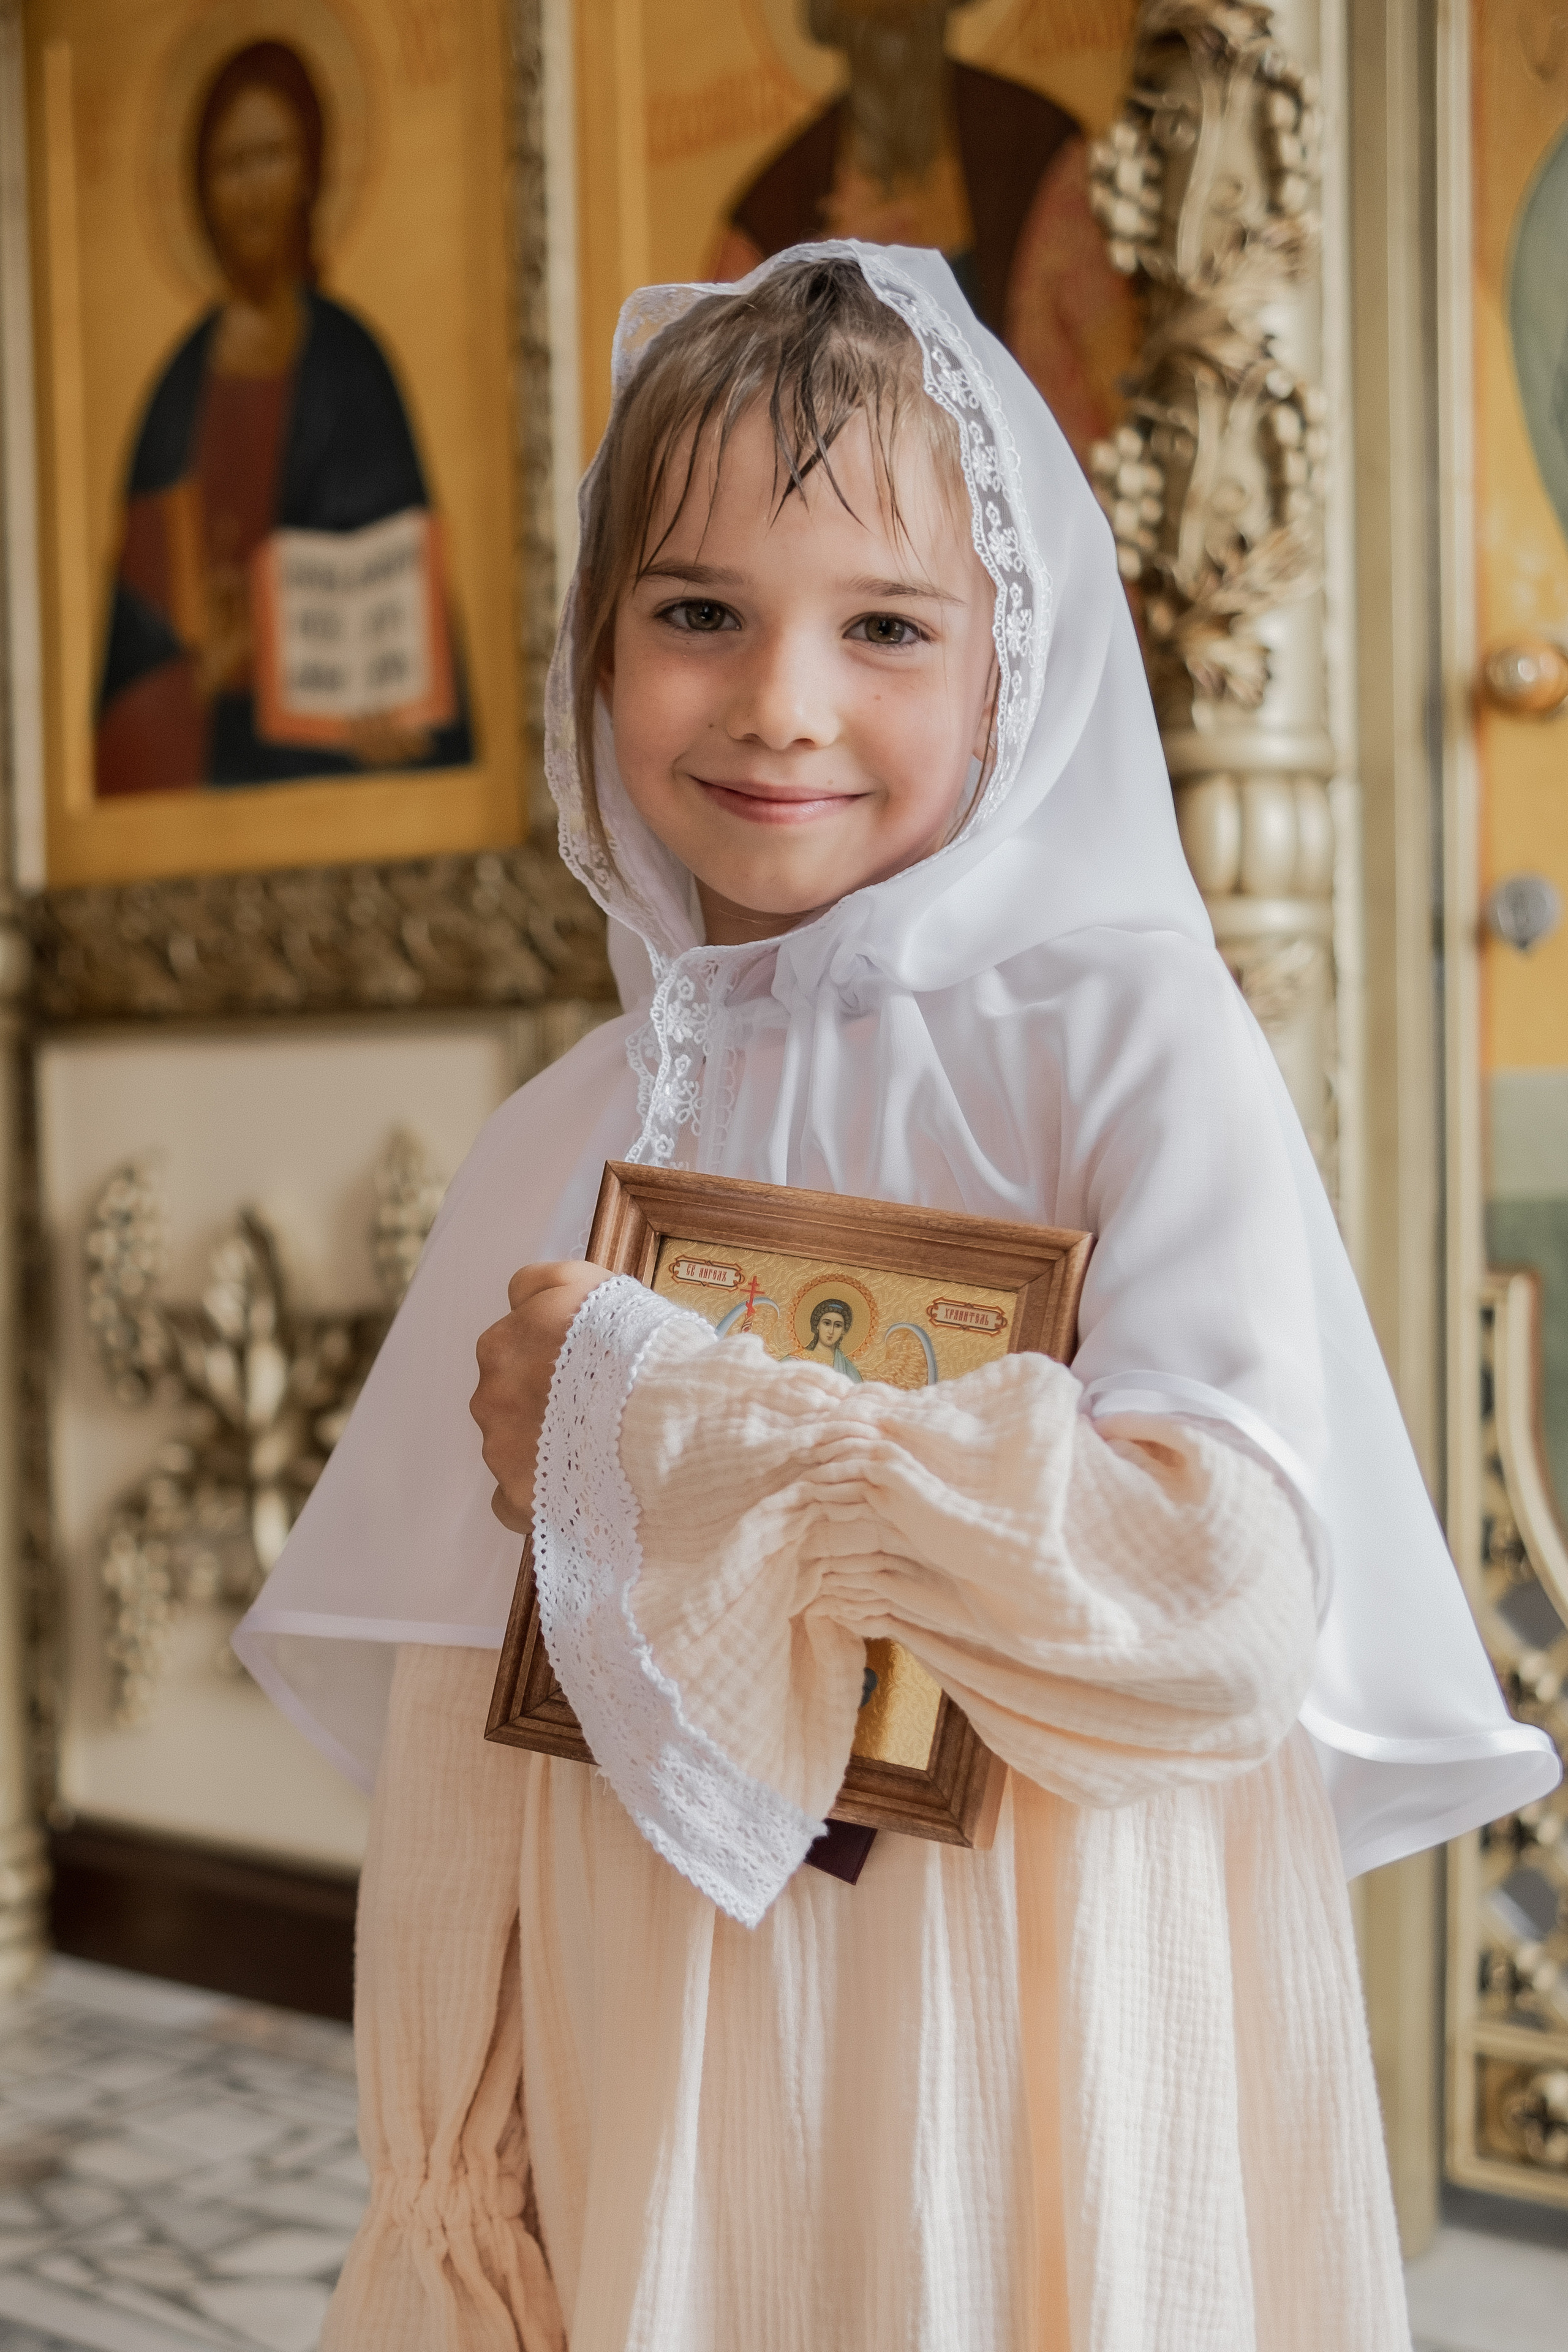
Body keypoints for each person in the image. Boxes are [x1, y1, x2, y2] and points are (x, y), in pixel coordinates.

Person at [235, 247, 1558, 2350]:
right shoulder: (570, 1118)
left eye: (883, 629)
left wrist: (665, 1423)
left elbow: (1206, 1606)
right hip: (652, 2035)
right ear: (596, 647)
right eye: (695, 614)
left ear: (1016, 665)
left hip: (1027, 2031)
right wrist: (459, 2205)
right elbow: (468, 1741)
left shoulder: (1127, 1043)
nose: (780, 701)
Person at [95, 39, 470, 796]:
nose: (252, 190)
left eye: (272, 156)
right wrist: (201, 665)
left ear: (311, 172)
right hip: (212, 769)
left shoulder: (354, 364)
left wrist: (402, 713)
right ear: (202, 190)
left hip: (338, 762)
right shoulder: (175, 393)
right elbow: (132, 645)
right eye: (230, 166)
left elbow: (407, 599)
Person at [714, 0, 1137, 460]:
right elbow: (729, 434)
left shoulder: (1032, 151)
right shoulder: (771, 218)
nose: (894, 17)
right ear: (830, 16)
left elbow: (1119, 373)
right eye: (870, 11)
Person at [797, 1296, 864, 1379]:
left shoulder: (849, 1370)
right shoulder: (795, 1360)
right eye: (827, 1323)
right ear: (817, 1325)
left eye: (838, 1326)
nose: (831, 1331)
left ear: (844, 1330)